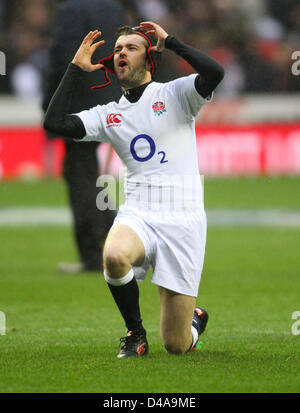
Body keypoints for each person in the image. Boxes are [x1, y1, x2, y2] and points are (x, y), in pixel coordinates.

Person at [43, 21, 224, 357]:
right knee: (113, 256)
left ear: (148, 59)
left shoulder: (176, 94)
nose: (121, 52)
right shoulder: (110, 115)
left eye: (131, 47)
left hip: (183, 221)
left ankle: (193, 322)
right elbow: (54, 123)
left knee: (176, 345)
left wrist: (170, 41)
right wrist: (74, 69)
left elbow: (215, 72)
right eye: (117, 50)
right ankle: (135, 333)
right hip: (139, 213)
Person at [42, 0, 124, 273]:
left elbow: (64, 58)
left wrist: (50, 102)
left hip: (78, 104)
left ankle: (92, 254)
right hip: (113, 97)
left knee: (80, 174)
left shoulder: (70, 11)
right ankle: (114, 246)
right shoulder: (114, 8)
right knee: (98, 178)